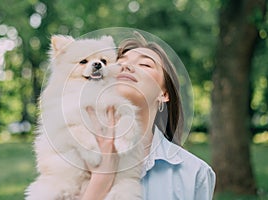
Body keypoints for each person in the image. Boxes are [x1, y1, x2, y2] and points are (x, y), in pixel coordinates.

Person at [82, 32, 216, 200]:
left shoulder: (195, 173)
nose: (126, 67)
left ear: (164, 93)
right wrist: (101, 179)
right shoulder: (70, 154)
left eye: (145, 65)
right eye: (120, 63)